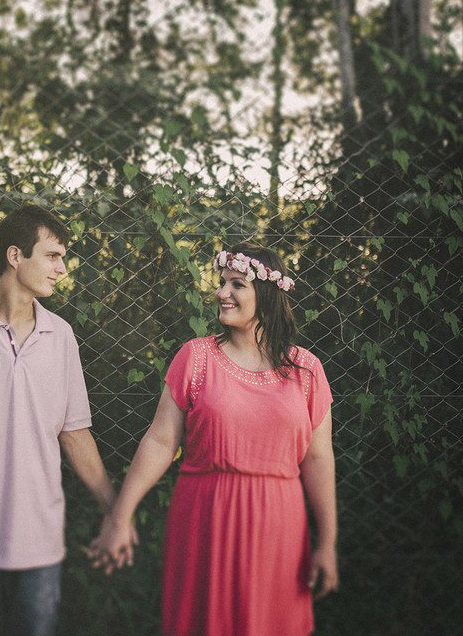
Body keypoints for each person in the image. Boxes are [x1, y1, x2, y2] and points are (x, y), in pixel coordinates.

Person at [89, 242, 339, 635]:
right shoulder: (196, 357)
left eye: (237, 284)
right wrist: (120, 517)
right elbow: (160, 442)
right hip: (207, 517)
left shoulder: (306, 370)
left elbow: (319, 459)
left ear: (266, 294)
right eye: (222, 283)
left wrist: (327, 543)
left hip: (279, 523)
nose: (222, 293)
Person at [0, 203, 126, 636]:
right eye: (52, 256)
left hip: (40, 540)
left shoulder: (61, 336)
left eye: (62, 258)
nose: (62, 269)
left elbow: (75, 435)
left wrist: (116, 511)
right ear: (15, 256)